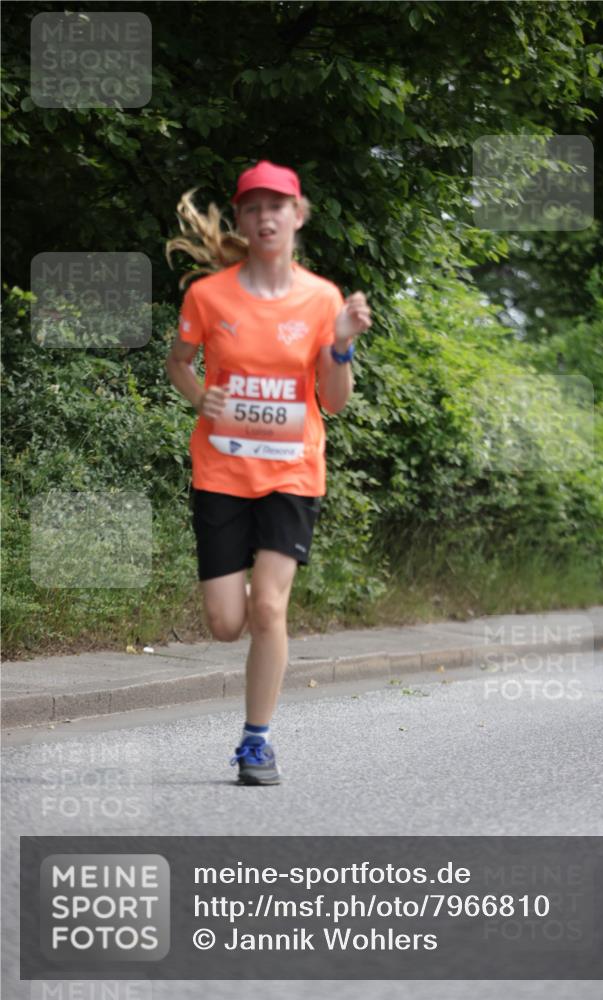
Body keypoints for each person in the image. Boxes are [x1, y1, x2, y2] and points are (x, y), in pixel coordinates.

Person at [165, 160, 372, 786]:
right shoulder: (208, 295)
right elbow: (179, 364)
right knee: (228, 623)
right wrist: (202, 397)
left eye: (276, 206)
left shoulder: (322, 299)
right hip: (222, 471)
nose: (265, 217)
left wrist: (340, 346)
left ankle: (257, 743)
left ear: (297, 215)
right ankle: (254, 618)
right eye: (252, 207)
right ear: (242, 219)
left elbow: (332, 401)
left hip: (292, 471)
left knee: (270, 609)